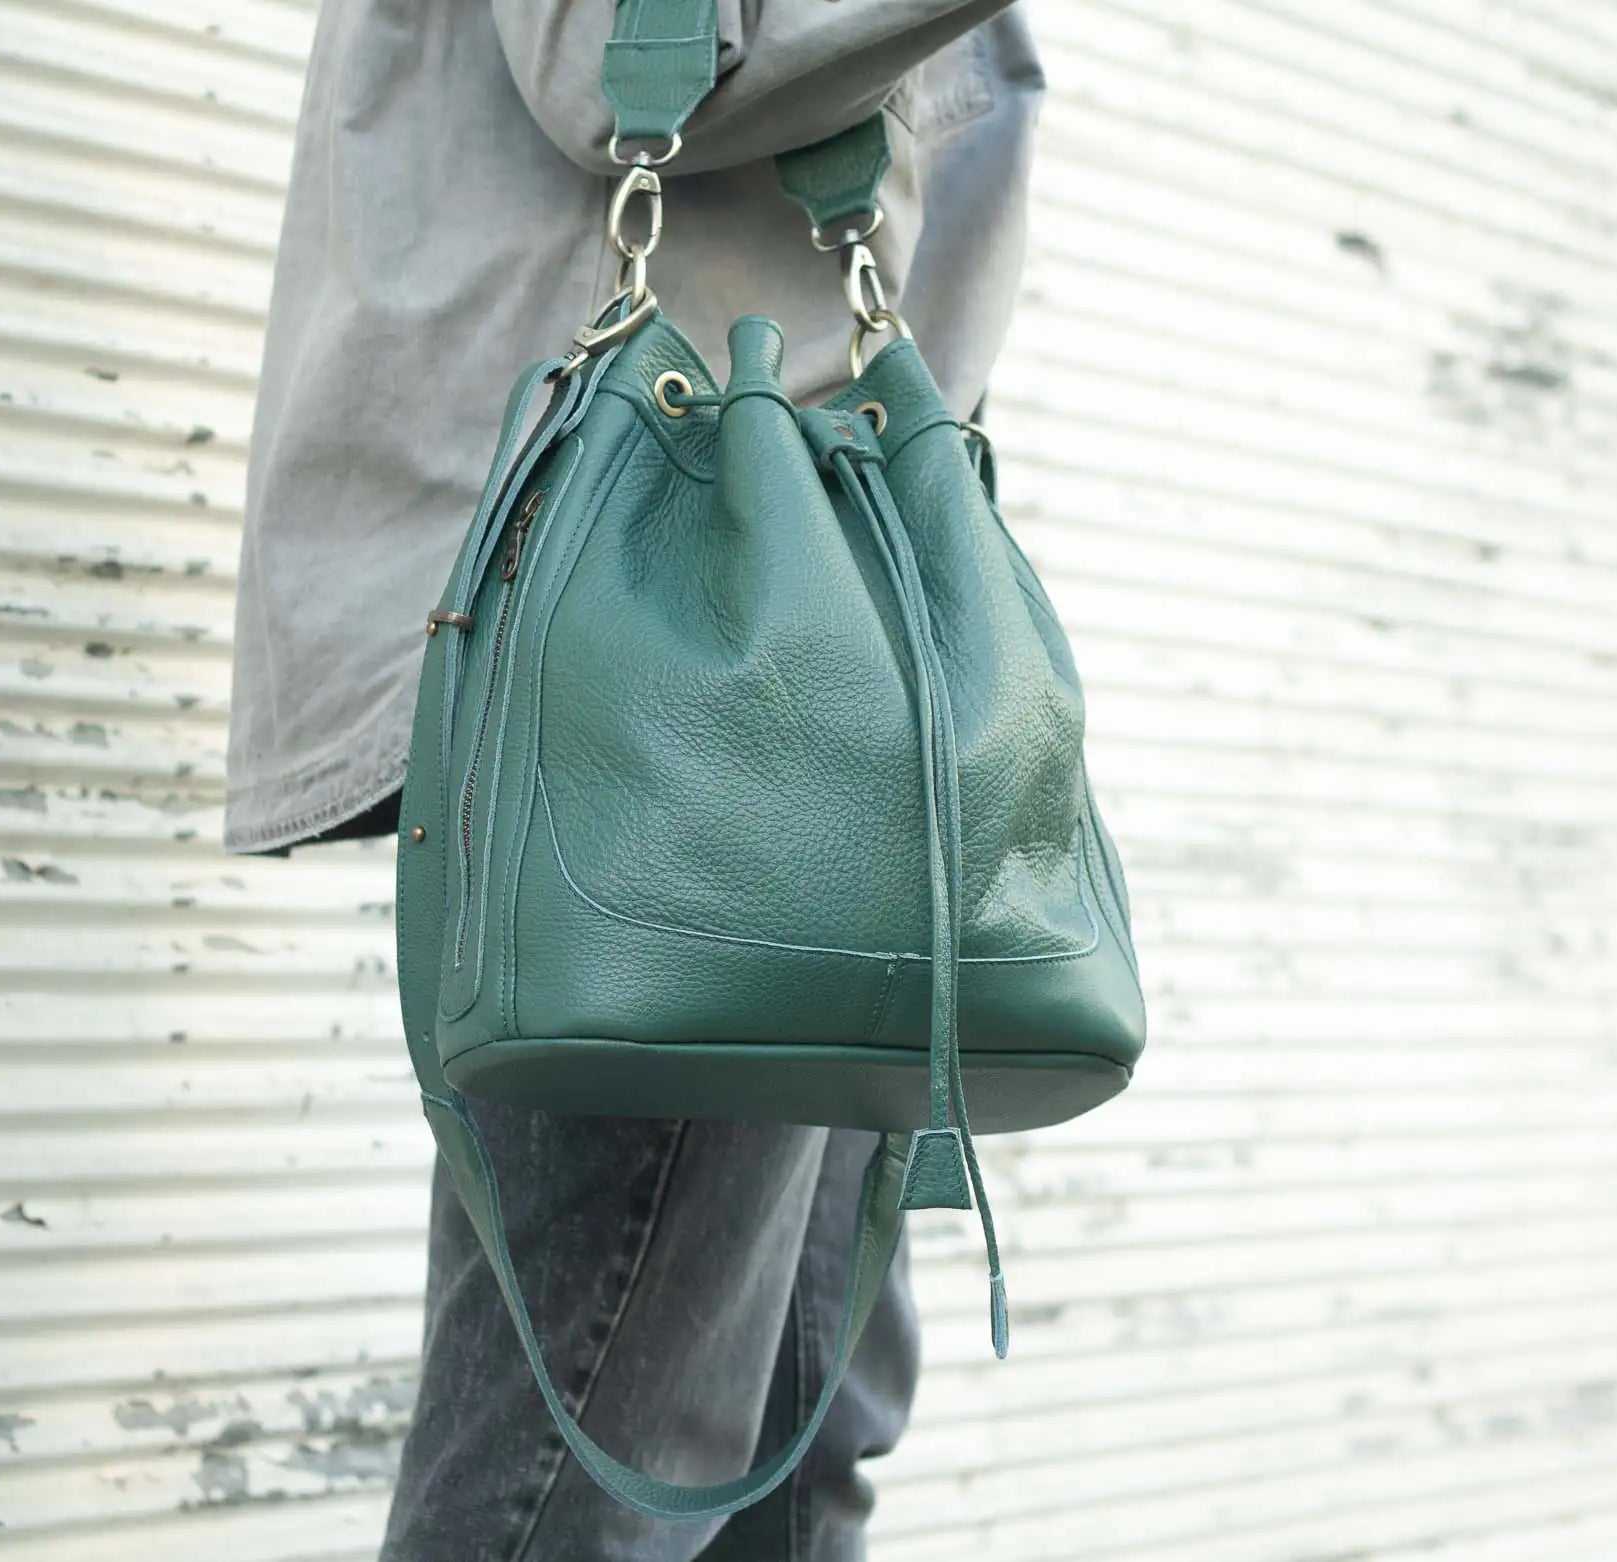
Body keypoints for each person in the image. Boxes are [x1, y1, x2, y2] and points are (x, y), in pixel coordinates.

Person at [226, 4, 1047, 1556]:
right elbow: (630, 60)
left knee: (803, 1441)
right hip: (668, 679)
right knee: (588, 1465)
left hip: (809, 660)